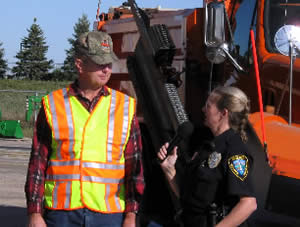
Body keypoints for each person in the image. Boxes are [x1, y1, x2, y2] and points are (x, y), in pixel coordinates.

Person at [25, 31, 145, 227]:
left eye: (109, 63)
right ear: (80, 64)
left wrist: (132, 216)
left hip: (109, 215)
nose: (107, 69)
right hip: (61, 214)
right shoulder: (53, 105)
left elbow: (135, 169)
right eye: (100, 63)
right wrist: (34, 213)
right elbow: (37, 164)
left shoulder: (125, 107)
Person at [157, 86, 257, 227]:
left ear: (223, 113)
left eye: (208, 106)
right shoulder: (207, 146)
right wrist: (169, 170)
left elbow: (248, 204)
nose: (203, 109)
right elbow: (190, 199)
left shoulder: (235, 151)